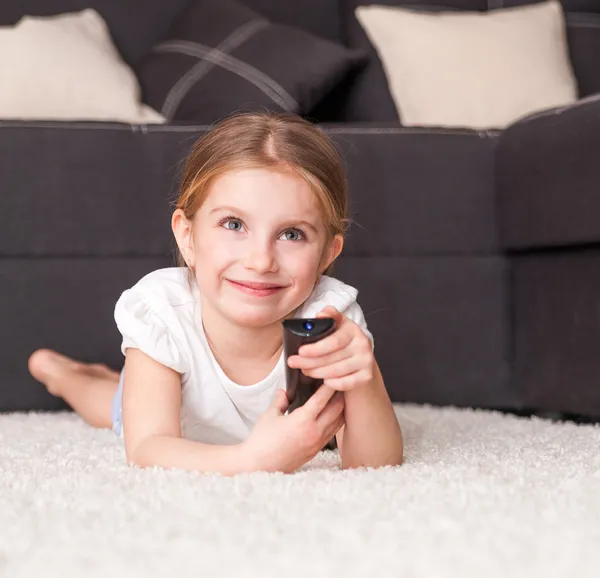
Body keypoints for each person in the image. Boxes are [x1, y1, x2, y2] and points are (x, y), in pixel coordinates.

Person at [28, 112, 403, 476]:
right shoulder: (163, 312)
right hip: (168, 398)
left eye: (292, 234)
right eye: (234, 224)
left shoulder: (327, 318)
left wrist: (366, 380)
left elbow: (374, 464)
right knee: (111, 408)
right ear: (187, 237)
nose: (260, 261)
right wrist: (255, 459)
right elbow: (147, 448)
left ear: (327, 254)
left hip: (198, 395)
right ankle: (66, 376)